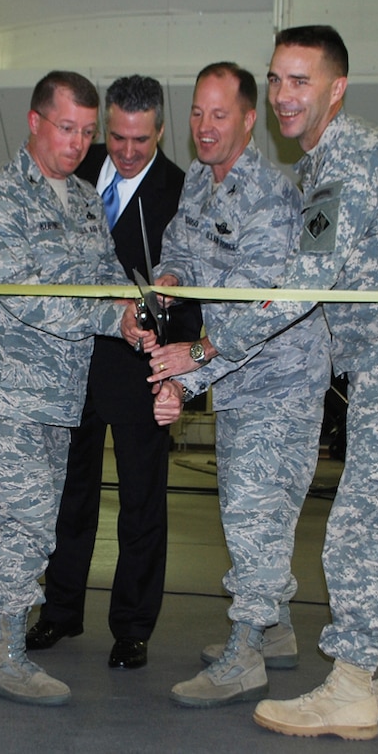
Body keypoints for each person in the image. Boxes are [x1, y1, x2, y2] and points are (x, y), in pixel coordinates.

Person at [158, 27, 378, 739]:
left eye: (301, 81)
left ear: (336, 88)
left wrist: (202, 357)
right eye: (276, 79)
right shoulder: (325, 164)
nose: (284, 95)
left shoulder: (347, 160)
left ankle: (354, 684)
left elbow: (301, 285)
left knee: (364, 514)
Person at [0, 70, 156, 706]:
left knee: (15, 517)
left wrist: (136, 305)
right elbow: (27, 298)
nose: (79, 143)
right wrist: (108, 316)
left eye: (88, 133)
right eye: (67, 128)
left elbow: (106, 276)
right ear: (34, 122)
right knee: (25, 524)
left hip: (55, 395)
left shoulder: (85, 199)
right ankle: (4, 651)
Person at [149, 61, 331, 708]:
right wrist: (169, 276)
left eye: (219, 115)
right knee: (260, 511)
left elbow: (254, 319)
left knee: (252, 511)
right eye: (197, 112)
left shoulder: (271, 200)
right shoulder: (199, 179)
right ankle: (275, 630)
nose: (203, 127)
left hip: (280, 376)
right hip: (238, 372)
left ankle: (246, 655)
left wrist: (188, 367)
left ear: (249, 120)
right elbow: (179, 241)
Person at [26, 75, 201, 670]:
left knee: (141, 503)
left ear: (159, 130)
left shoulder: (181, 190)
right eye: (118, 138)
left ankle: (131, 626)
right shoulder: (79, 166)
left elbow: (194, 290)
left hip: (139, 369)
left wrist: (176, 375)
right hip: (72, 363)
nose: (126, 152)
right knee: (68, 498)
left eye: (141, 141)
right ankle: (59, 612)